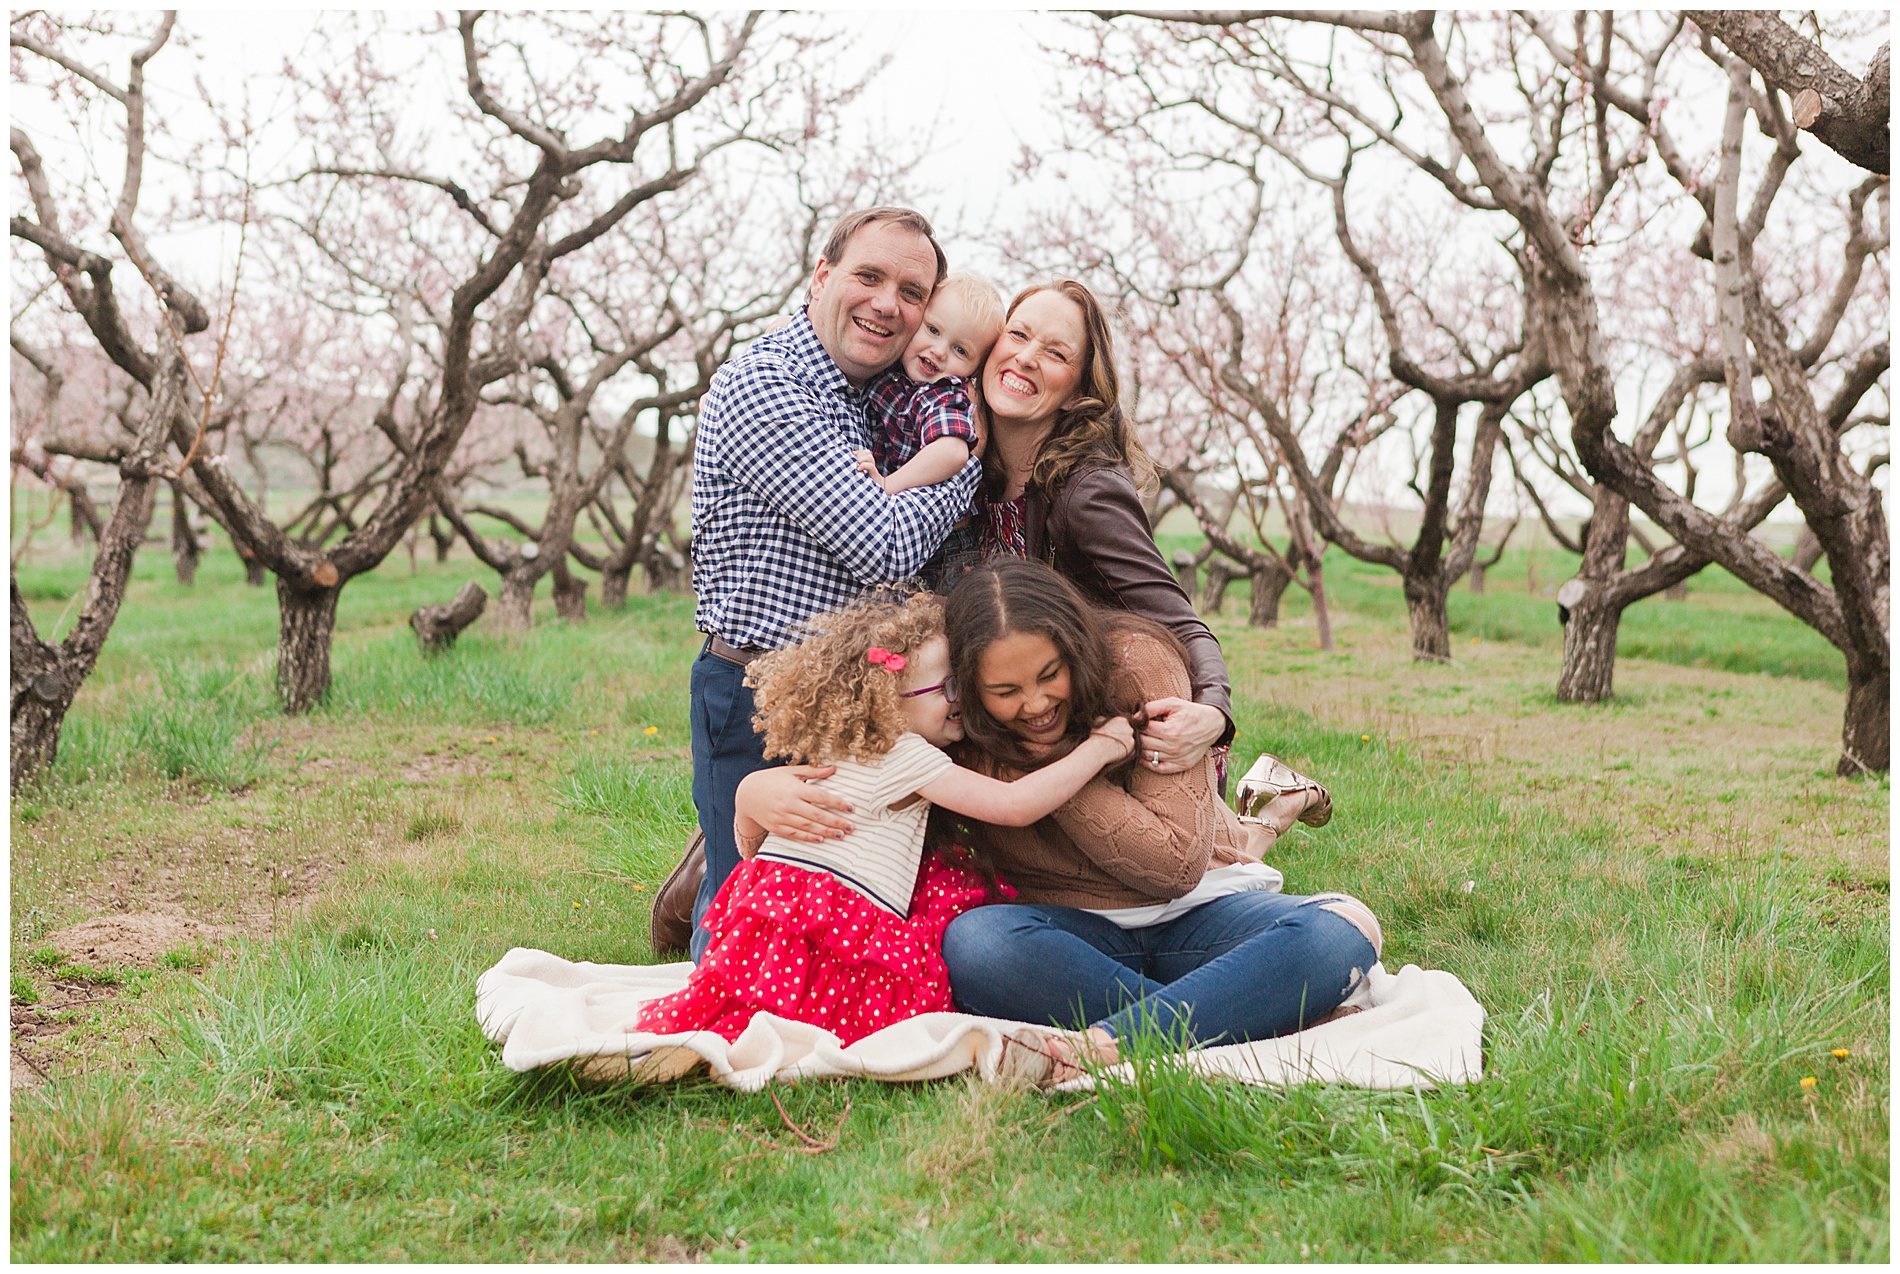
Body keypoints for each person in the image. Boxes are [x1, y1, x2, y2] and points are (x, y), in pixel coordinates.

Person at [935, 559, 1373, 1083]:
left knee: (1346, 925)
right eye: (1006, 693)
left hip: (1203, 911)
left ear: (1073, 647)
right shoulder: (961, 735)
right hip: (1073, 943)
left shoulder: (1135, 664)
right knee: (975, 943)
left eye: (1051, 675)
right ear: (970, 693)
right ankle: (1252, 1013)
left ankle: (1106, 1045)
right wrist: (1068, 759)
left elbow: (1173, 865)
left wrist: (1043, 772)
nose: (1036, 704)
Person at [682, 206, 982, 961]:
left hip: (868, 694)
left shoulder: (884, 398)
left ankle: (706, 872)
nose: (889, 304)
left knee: (848, 903)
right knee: (748, 933)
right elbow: (884, 545)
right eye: (869, 276)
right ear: (822, 276)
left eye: (912, 293)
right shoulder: (769, 386)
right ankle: (702, 897)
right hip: (758, 690)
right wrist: (967, 463)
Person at [638, 591, 1135, 1045]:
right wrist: (1101, 748)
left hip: (772, 914)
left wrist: (748, 814)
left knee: (763, 1014)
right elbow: (1013, 805)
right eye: (947, 689)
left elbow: (753, 851)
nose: (959, 700)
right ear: (888, 700)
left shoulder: (837, 749)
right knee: (838, 1023)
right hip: (835, 913)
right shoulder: (907, 755)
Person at [977, 279, 1235, 784]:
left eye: (1055, 353)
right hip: (1024, 718)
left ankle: (1267, 812)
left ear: (1077, 393)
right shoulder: (968, 472)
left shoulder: (1087, 495)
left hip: (1115, 736)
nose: (1027, 357)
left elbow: (1181, 622)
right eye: (1018, 334)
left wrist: (1215, 715)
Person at [852, 272, 1004, 496]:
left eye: (960, 350)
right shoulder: (897, 365)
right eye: (933, 330)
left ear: (975, 370)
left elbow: (952, 451)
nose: (939, 351)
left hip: (919, 514)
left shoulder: (943, 394)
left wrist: (887, 485)